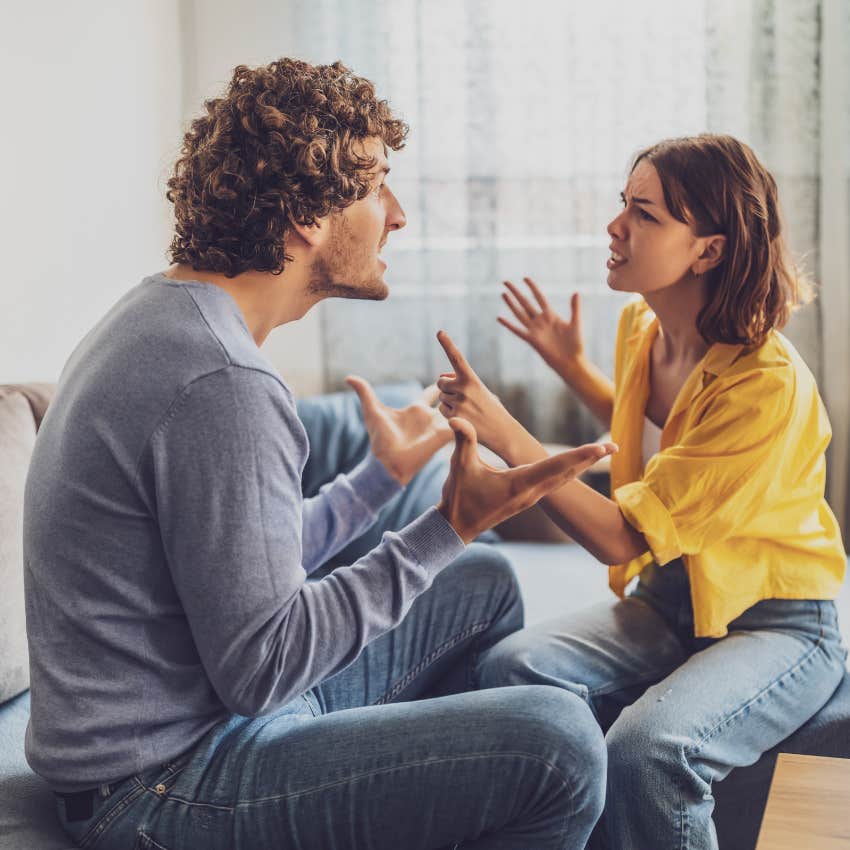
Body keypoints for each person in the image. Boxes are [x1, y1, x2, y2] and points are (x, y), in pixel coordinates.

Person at [24, 58, 616, 850]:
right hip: (160, 785)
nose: (397, 215)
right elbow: (263, 666)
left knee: (482, 583)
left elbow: (235, 565)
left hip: (192, 729)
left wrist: (380, 481)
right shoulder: (221, 380)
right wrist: (448, 524)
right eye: (376, 187)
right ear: (306, 216)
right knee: (560, 743)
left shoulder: (163, 316)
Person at [434, 134, 848, 850]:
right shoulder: (643, 328)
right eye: (623, 205)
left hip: (776, 623)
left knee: (649, 750)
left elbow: (625, 534)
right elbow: (660, 437)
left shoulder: (766, 386)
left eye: (645, 214)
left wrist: (510, 435)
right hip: (668, 599)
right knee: (512, 668)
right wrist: (572, 366)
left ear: (707, 250)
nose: (614, 226)